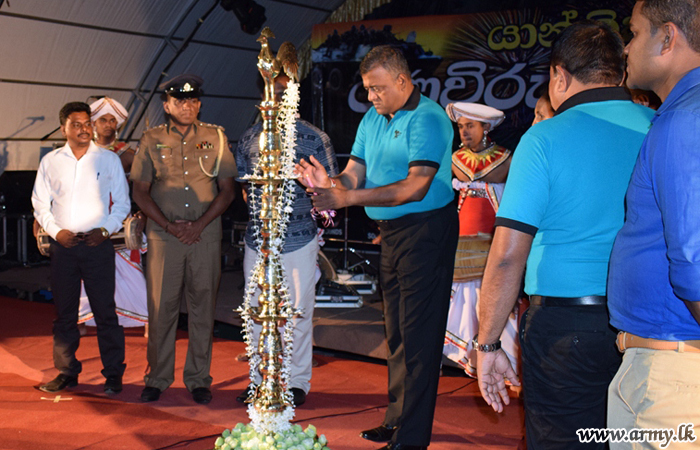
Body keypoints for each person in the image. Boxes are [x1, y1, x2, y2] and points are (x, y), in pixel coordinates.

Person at [474, 22, 655, 450]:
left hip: (565, 331)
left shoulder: (544, 138)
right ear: (622, 74)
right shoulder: (659, 126)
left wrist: (487, 343)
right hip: (648, 326)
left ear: (559, 76)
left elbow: (506, 257)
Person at [296, 45, 458, 450]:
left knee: (420, 336)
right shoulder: (373, 118)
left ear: (402, 82)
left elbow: (415, 186)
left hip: (427, 230)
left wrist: (347, 199)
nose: (370, 97)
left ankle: (412, 439)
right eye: (368, 88)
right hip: (393, 233)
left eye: (376, 88)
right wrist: (327, 184)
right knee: (398, 331)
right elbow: (352, 176)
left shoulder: (430, 118)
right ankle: (397, 418)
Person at [607, 0, 700, 441]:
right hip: (660, 364)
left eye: (634, 32)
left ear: (667, 37)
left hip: (673, 375)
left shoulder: (685, 119)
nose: (626, 47)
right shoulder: (683, 113)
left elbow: (694, 263)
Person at [130, 74, 237, 404]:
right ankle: (158, 377)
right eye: (179, 101)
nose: (187, 106)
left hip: (204, 235)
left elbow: (228, 189)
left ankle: (198, 378)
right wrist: (168, 225)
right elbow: (140, 191)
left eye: (192, 100)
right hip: (164, 237)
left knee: (203, 307)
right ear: (167, 106)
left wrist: (199, 224)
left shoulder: (215, 137)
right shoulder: (151, 139)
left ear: (199, 104)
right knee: (162, 308)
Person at [234, 74, 338, 407]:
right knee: (254, 313)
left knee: (296, 314)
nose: (276, 99)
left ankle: (296, 383)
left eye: (283, 93)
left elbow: (332, 189)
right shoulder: (250, 137)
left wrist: (315, 190)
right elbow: (242, 183)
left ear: (294, 96)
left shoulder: (313, 137)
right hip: (257, 241)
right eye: (271, 93)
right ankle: (258, 381)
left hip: (298, 240)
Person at [32, 101, 130, 395]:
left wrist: (104, 231)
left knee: (105, 312)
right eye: (77, 124)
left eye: (88, 123)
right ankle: (66, 372)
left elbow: (123, 203)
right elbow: (39, 203)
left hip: (97, 245)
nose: (85, 129)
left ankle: (113, 374)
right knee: (64, 314)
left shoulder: (108, 160)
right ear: (63, 128)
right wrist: (56, 232)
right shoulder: (51, 161)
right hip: (64, 246)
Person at [441, 102, 519, 378]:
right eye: (461, 127)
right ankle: (470, 357)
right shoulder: (455, 159)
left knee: (495, 298)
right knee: (464, 300)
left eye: (470, 126)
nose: (463, 132)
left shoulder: (507, 159)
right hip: (463, 239)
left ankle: (506, 358)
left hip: (493, 240)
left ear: (486, 127)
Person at [76, 97, 148, 332]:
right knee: (87, 272)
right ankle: (85, 319)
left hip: (117, 219)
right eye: (103, 120)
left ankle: (144, 319)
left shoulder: (126, 153)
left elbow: (146, 183)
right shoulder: (81, 150)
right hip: (88, 219)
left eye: (112, 120)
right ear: (93, 123)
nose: (108, 124)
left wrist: (140, 214)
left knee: (129, 271)